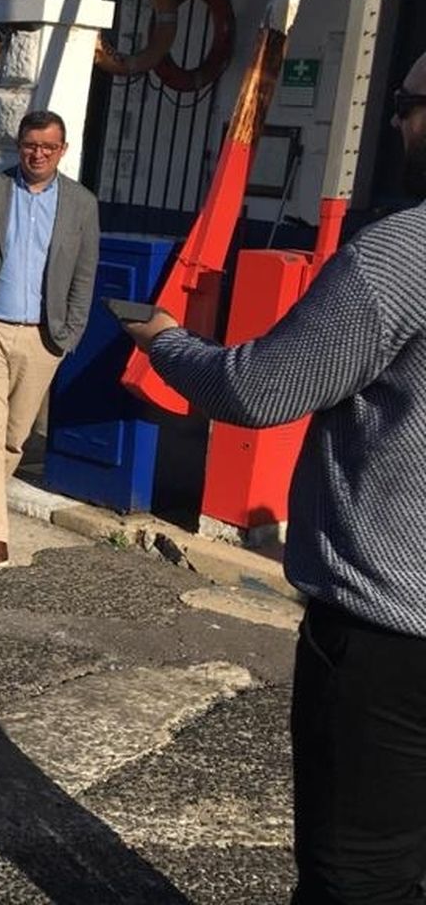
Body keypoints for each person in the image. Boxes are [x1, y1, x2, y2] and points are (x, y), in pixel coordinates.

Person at [122, 64, 426, 904]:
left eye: (405, 108)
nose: (396, 126)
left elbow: (260, 388)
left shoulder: (401, 254)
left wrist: (164, 339)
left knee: (357, 878)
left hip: (389, 634)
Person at [0, 109, 99, 570]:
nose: (39, 154)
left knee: (14, 437)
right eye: (31, 145)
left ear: (62, 150)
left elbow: (84, 275)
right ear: (18, 146)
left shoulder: (81, 204)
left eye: (49, 147)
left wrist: (69, 333)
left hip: (42, 337)